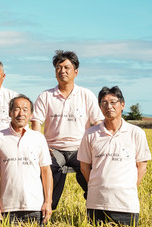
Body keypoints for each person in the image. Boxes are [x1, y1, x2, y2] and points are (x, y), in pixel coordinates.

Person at [31, 50, 103, 210]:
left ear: (75, 72)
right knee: (49, 169)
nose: (62, 71)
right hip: (53, 149)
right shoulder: (46, 96)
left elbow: (97, 122)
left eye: (66, 67)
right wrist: (41, 148)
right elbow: (36, 123)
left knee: (95, 172)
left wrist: (95, 148)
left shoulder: (86, 95)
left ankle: (97, 206)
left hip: (80, 148)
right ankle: (46, 209)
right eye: (58, 67)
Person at [78, 86, 151, 226]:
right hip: (96, 203)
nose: (108, 106)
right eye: (104, 103)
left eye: (113, 102)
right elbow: (84, 167)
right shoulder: (90, 134)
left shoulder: (136, 133)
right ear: (99, 107)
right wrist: (97, 185)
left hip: (126, 204)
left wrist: (128, 187)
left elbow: (142, 166)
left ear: (122, 104)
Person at [0, 95, 53, 225]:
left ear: (31, 114)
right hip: (6, 209)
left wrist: (48, 202)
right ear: (10, 112)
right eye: (17, 109)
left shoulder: (38, 138)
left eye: (25, 110)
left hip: (36, 207)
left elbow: (46, 171)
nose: (21, 113)